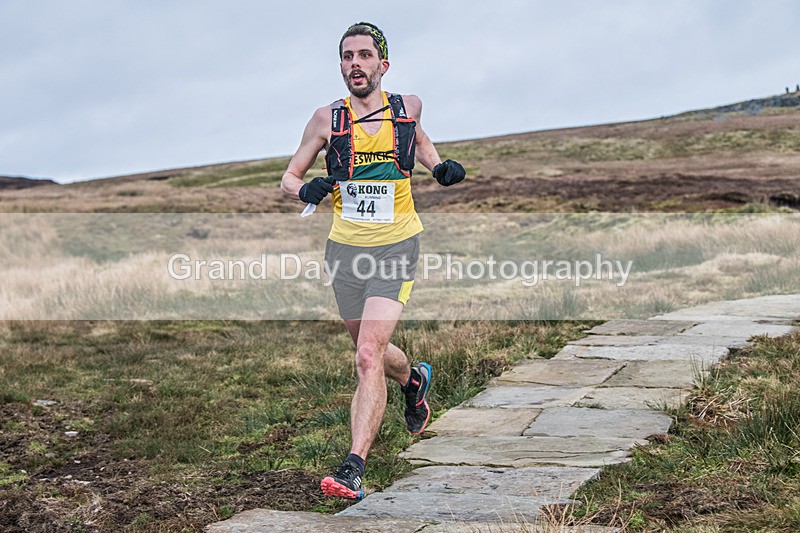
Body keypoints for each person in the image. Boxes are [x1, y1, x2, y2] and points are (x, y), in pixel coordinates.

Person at [280, 22, 466, 499]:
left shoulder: (407, 107)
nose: (354, 64)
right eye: (347, 57)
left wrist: (439, 167)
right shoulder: (326, 119)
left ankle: (353, 469)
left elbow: (419, 142)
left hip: (396, 245)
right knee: (373, 351)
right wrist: (306, 189)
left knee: (366, 355)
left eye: (364, 55)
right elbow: (289, 177)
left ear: (383, 64)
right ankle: (413, 379)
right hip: (345, 250)